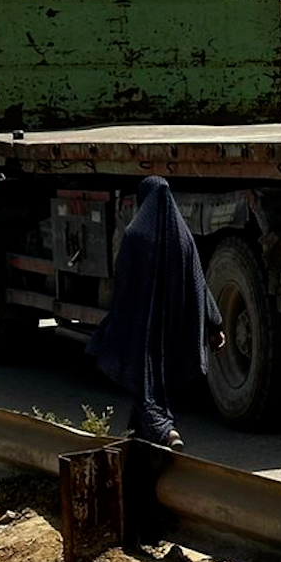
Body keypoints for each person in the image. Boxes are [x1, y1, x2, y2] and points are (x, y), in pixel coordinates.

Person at [88, 177, 223, 450]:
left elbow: (123, 283)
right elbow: (199, 284)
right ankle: (136, 441)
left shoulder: (134, 237)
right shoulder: (184, 238)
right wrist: (214, 323)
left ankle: (165, 432)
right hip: (174, 327)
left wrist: (118, 319)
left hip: (140, 326)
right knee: (157, 384)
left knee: (144, 384)